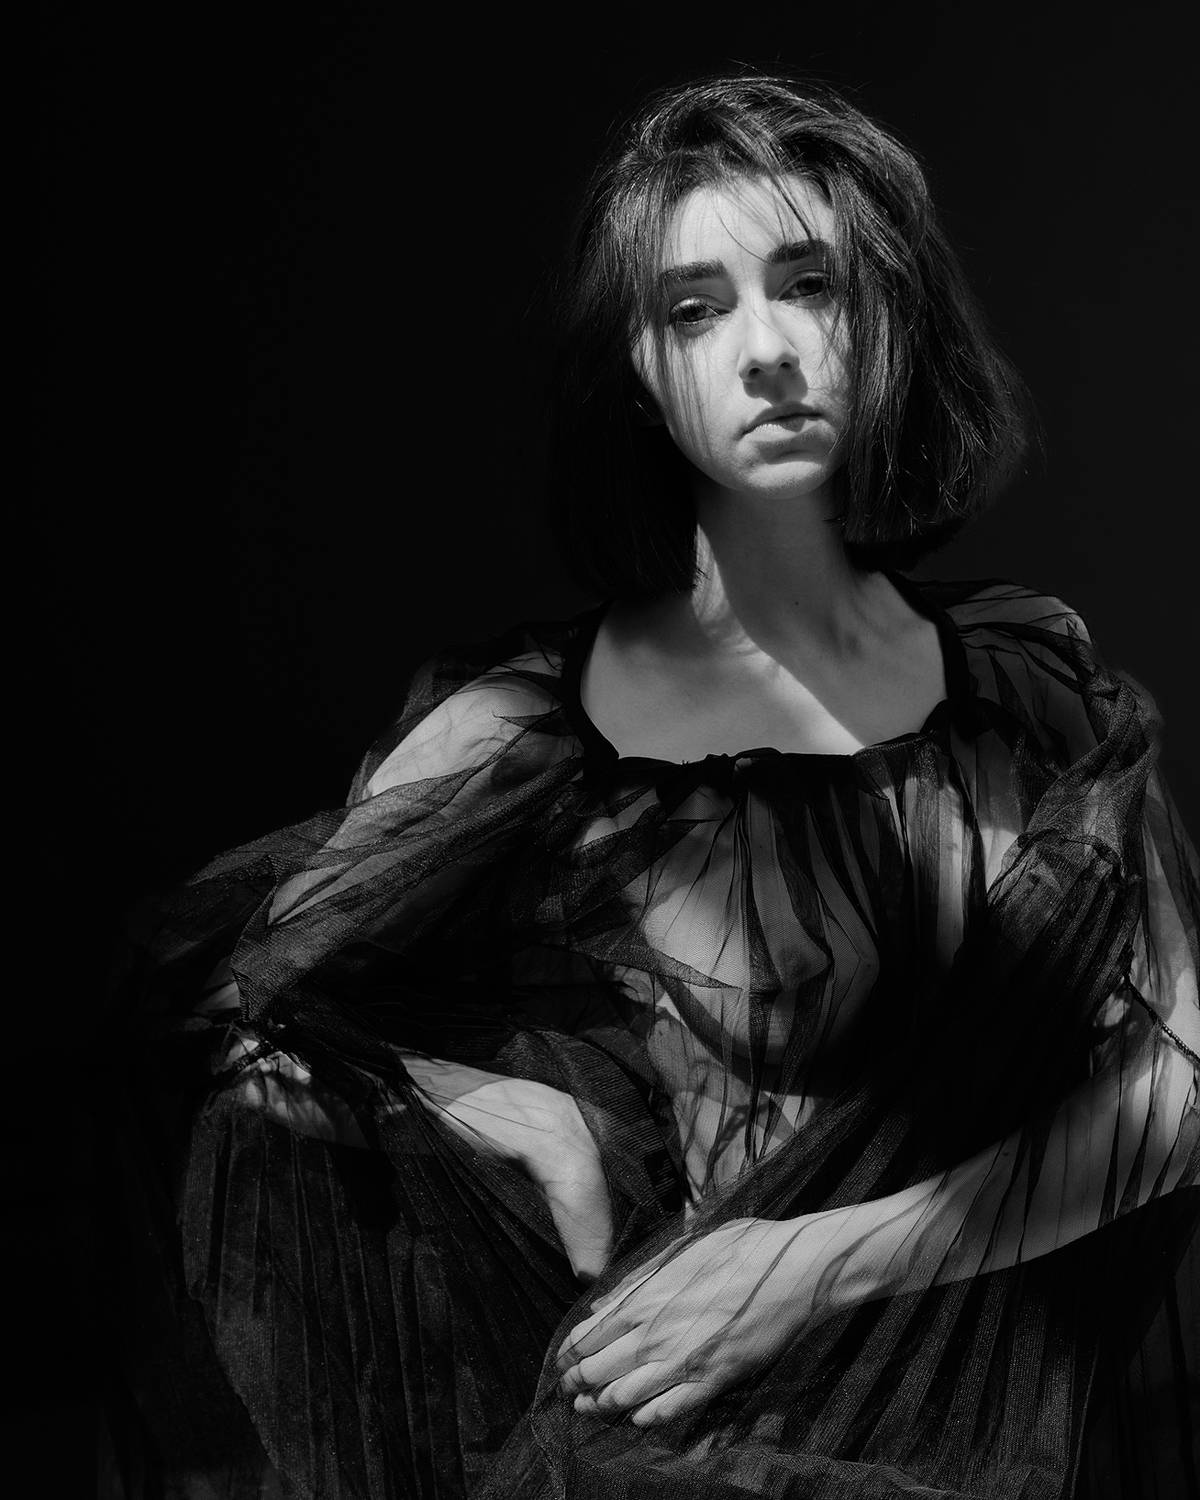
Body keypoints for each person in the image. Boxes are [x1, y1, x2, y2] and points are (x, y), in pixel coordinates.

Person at [104, 73, 1198, 1499]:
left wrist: (807, 1264)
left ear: (890, 316)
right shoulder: (532, 728)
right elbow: (221, 1008)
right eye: (694, 309)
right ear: (635, 368)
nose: (767, 351)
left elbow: (1180, 1096)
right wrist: (497, 1109)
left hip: (977, 1434)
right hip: (662, 1447)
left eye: (811, 284)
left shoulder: (1033, 688)